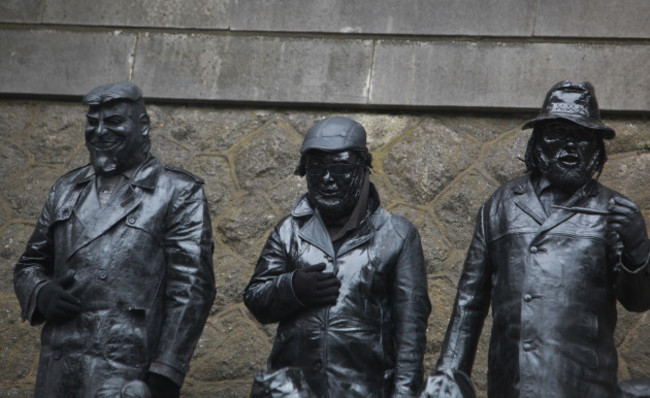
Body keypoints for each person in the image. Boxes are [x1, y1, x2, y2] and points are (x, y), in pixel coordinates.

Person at [424, 80, 650, 398]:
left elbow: (638, 301)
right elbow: (469, 303)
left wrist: (637, 248)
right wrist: (448, 372)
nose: (570, 145)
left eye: (582, 136)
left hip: (583, 387)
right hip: (512, 386)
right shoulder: (501, 205)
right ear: (539, 140)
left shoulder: (612, 210)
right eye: (558, 132)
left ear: (596, 145)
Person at [13, 82, 216, 398]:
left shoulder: (177, 191)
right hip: (60, 365)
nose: (99, 131)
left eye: (113, 122)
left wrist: (167, 370)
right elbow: (30, 263)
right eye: (92, 122)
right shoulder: (65, 189)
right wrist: (40, 293)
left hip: (127, 369)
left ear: (143, 126)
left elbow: (191, 289)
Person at [244, 116, 431, 397]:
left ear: (362, 168)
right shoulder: (288, 230)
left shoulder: (398, 235)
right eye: (316, 168)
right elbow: (256, 299)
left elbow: (410, 337)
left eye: (340, 167)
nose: (328, 178)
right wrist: (292, 287)